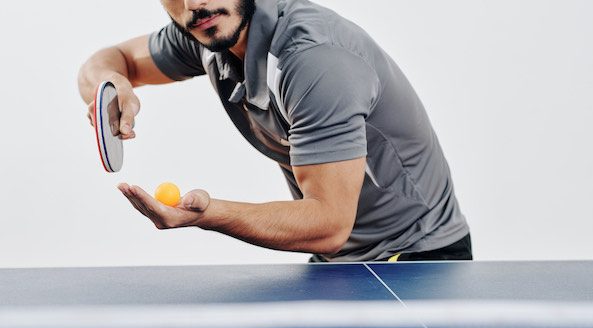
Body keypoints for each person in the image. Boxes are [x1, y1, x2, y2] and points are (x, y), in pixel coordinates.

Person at [78, 0, 472, 262]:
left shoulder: (314, 60)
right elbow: (109, 60)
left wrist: (204, 213)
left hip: (417, 258)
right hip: (337, 263)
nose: (193, 2)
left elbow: (329, 224)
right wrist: (113, 83)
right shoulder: (205, 29)